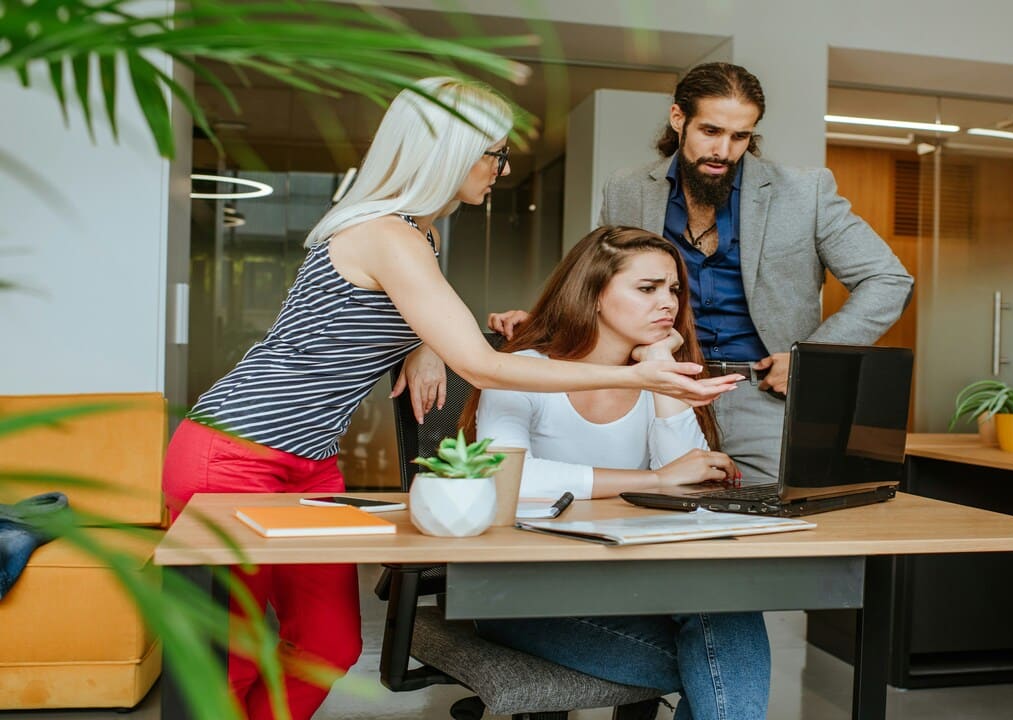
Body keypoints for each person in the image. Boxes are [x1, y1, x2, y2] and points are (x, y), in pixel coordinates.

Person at [160, 78, 739, 720]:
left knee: (328, 643)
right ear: (446, 150)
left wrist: (420, 344)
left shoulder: (424, 239)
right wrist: (637, 378)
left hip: (311, 463)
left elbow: (410, 317)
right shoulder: (385, 233)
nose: (500, 168)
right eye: (491, 152)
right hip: (234, 448)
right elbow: (484, 366)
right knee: (229, 654)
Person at [486, 62, 914, 483]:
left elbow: (889, 280)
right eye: (711, 131)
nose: (724, 151)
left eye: (740, 136)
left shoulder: (806, 192)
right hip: (656, 385)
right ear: (678, 118)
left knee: (771, 521)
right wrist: (547, 323)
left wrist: (813, 359)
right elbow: (600, 275)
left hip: (762, 395)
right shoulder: (628, 187)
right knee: (651, 508)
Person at [460, 225, 770, 720]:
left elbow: (691, 484)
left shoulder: (653, 373)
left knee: (726, 610)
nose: (667, 303)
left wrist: (662, 365)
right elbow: (508, 480)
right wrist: (652, 480)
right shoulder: (522, 369)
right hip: (523, 595)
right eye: (647, 289)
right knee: (722, 662)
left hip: (629, 586)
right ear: (594, 295)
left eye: (672, 290)